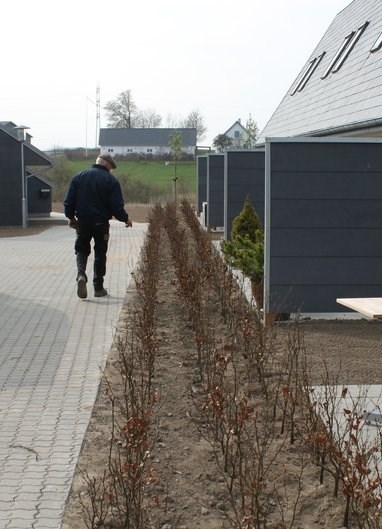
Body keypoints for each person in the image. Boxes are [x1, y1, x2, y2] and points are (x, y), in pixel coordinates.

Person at [63, 154, 132, 299]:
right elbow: (116, 206)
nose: (111, 170)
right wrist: (125, 219)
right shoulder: (111, 181)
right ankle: (98, 288)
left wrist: (71, 218)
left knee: (81, 249)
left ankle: (81, 273)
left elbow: (69, 201)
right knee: (100, 254)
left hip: (83, 222)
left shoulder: (78, 177)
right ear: (107, 164)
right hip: (101, 224)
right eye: (111, 167)